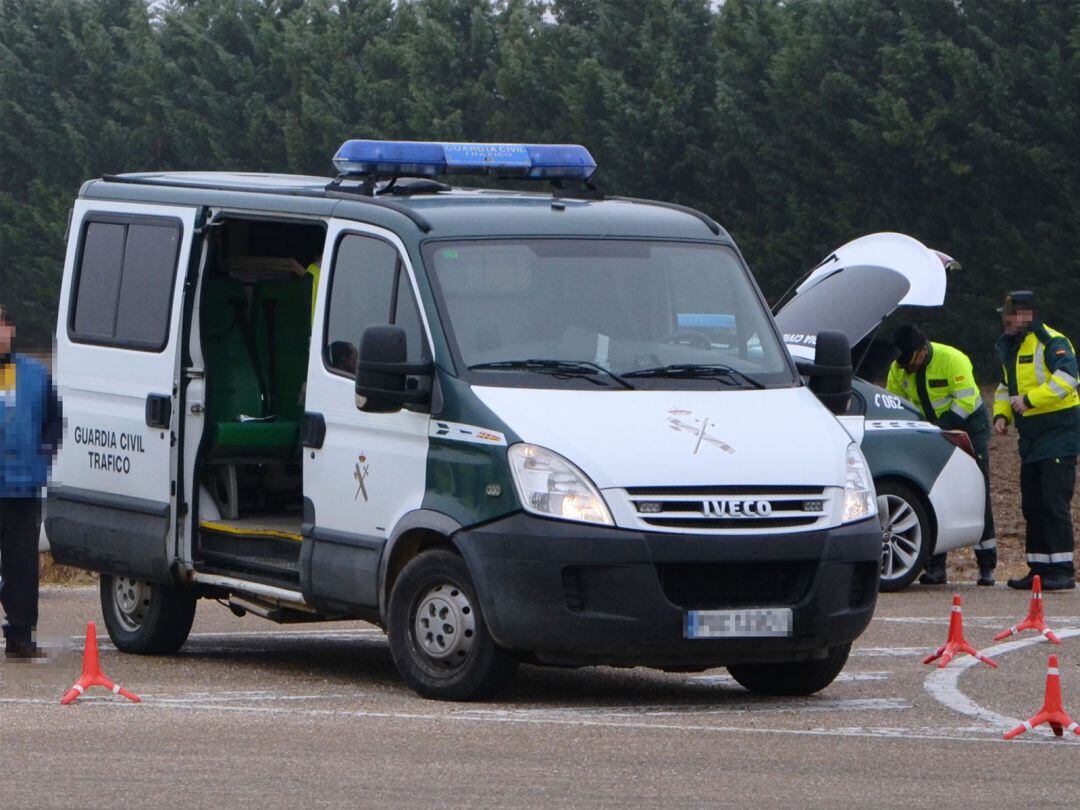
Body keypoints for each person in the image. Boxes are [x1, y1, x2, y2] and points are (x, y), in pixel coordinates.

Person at [887, 325, 997, 586]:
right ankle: (935, 567)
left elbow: (965, 402)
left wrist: (939, 429)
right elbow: (896, 404)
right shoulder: (899, 368)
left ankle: (986, 564)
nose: (907, 369)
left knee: (978, 491)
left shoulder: (953, 359)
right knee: (932, 494)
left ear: (922, 350)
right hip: (929, 431)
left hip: (967, 426)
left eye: (910, 362)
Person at [992, 291, 1080, 590]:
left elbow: (1068, 379)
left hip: (1059, 433)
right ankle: (1039, 570)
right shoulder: (1010, 347)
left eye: (1011, 314)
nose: (1007, 320)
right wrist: (1001, 415)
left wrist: (1029, 400)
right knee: (1033, 504)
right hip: (1031, 439)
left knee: (1054, 502)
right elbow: (1005, 386)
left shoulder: (1052, 341)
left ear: (1028, 315)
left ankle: (1063, 570)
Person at [0, 303, 63, 658]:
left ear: (11, 329)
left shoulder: (35, 375)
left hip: (22, 488)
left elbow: (55, 420)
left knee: (22, 568)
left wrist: (43, 454)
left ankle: (20, 635)